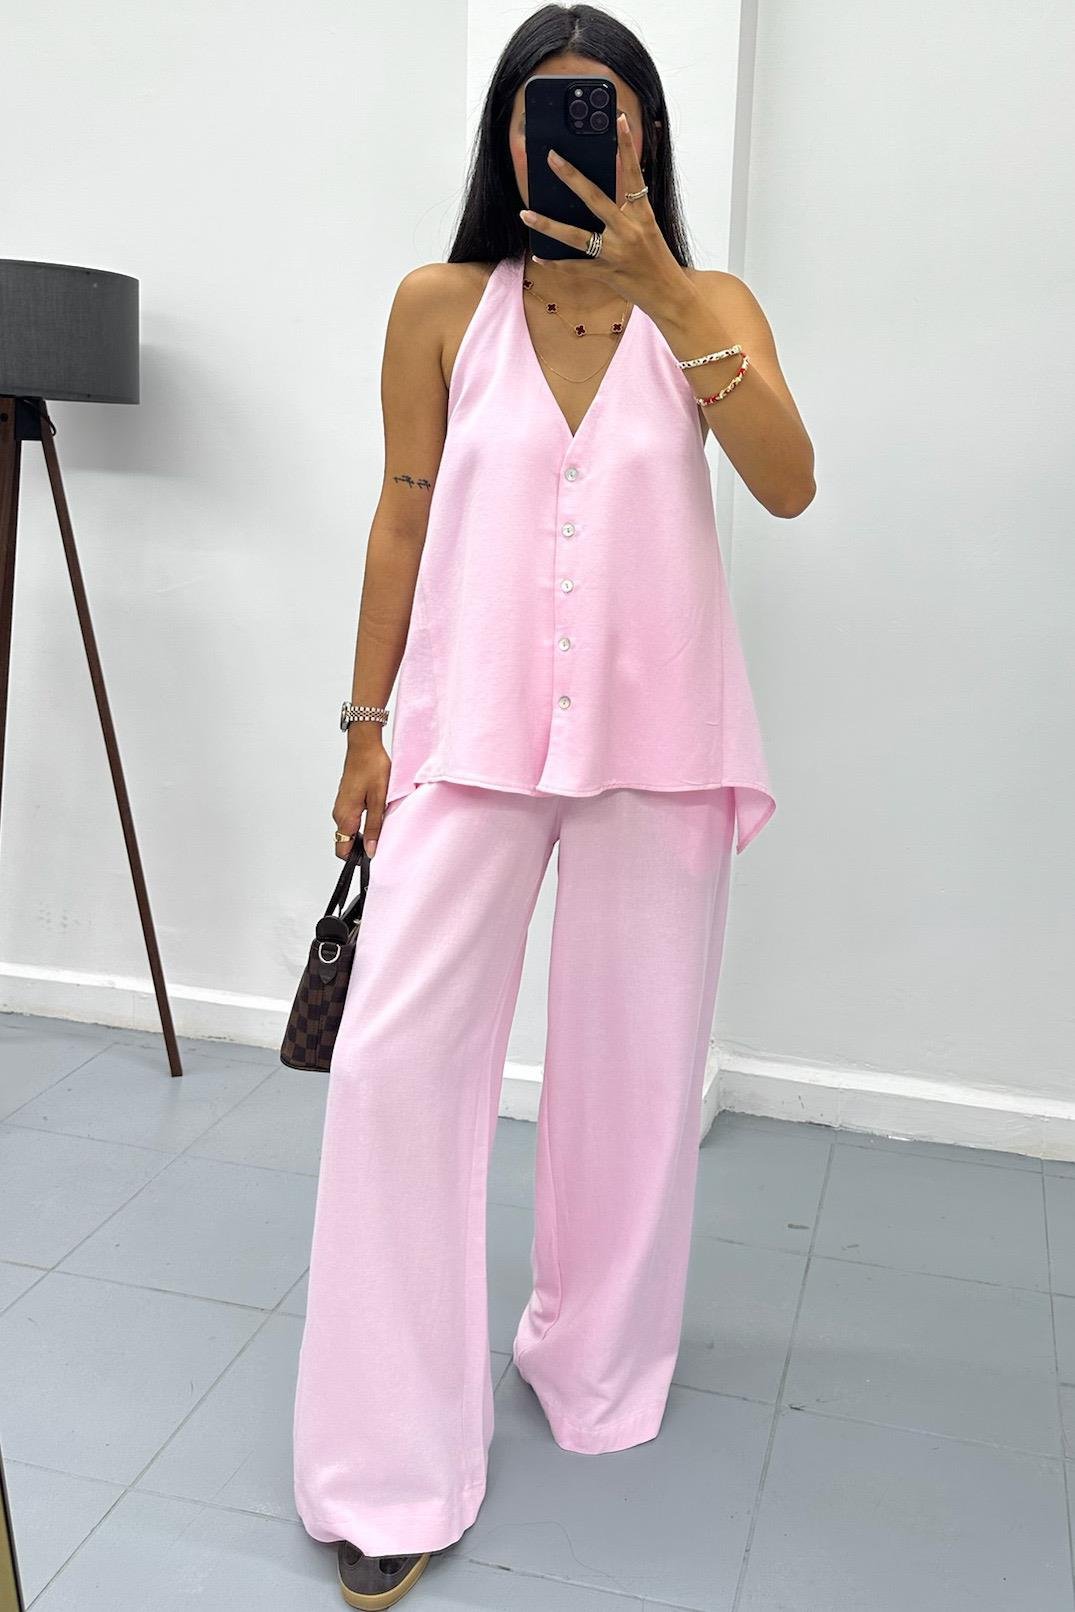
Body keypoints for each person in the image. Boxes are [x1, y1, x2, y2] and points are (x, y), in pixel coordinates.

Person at [292, 6, 814, 1606]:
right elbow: (401, 515)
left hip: (661, 745)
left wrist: (666, 288)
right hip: (468, 738)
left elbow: (788, 481)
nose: (572, 133)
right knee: (393, 1071)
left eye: (603, 108)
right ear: (506, 136)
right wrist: (364, 729)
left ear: (645, 133)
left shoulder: (710, 305)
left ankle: (594, 1364)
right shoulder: (440, 306)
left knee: (634, 1083)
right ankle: (387, 1460)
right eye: (543, 108)